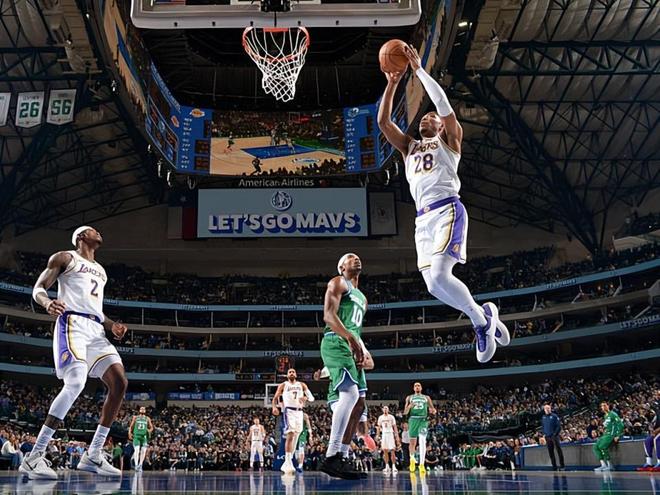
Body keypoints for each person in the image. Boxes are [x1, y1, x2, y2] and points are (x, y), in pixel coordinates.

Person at [377, 44, 509, 363]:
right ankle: (483, 314)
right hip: (422, 221)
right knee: (434, 286)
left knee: (439, 275)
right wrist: (392, 83)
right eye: (424, 117)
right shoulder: (409, 147)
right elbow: (383, 123)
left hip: (447, 209)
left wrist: (419, 71)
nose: (427, 117)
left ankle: (480, 321)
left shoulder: (450, 140)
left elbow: (443, 105)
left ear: (440, 126)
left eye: (432, 117)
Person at [20, 226, 127, 479]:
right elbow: (38, 288)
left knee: (120, 382)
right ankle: (34, 456)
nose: (98, 232)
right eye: (93, 230)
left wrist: (112, 325)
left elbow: (95, 309)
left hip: (95, 329)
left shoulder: (101, 270)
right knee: (76, 382)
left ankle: (93, 454)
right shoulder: (65, 257)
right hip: (72, 324)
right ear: (81, 237)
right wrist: (48, 302)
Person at [319, 253, 367, 480]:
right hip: (336, 340)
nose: (355, 259)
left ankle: (342, 455)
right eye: (350, 257)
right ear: (341, 267)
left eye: (357, 257)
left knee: (358, 403)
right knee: (350, 394)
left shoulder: (363, 298)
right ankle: (332, 456)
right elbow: (329, 316)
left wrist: (361, 348)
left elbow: (356, 329)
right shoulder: (338, 282)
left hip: (351, 344)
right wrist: (349, 339)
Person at [271, 368, 314, 475]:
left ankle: (287, 462)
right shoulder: (283, 385)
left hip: (299, 412)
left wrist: (305, 398)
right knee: (290, 434)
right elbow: (275, 397)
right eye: (289, 372)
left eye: (293, 372)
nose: (291, 373)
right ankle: (288, 462)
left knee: (296, 436)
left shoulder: (302, 385)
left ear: (296, 374)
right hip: (289, 411)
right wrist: (274, 407)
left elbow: (312, 398)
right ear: (287, 375)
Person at [404, 382, 437, 474]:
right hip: (413, 420)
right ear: (413, 388)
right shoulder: (409, 397)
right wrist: (409, 406)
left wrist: (433, 411)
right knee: (412, 443)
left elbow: (433, 409)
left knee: (422, 440)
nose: (417, 387)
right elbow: (405, 412)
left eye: (418, 385)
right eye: (415, 386)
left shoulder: (426, 398)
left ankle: (421, 464)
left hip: (423, 420)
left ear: (421, 388)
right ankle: (412, 459)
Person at [593, 401, 624, 472]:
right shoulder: (605, 416)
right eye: (602, 406)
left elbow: (620, 424)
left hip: (611, 434)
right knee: (595, 447)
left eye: (604, 405)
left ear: (608, 406)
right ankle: (603, 465)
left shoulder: (613, 414)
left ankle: (610, 465)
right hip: (605, 434)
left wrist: (618, 435)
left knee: (602, 446)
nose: (603, 407)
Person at [638, 390, 660, 471]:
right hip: (658, 430)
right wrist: (652, 430)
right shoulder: (655, 408)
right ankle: (648, 463)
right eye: (656, 394)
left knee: (657, 439)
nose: (657, 396)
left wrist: (657, 430)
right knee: (648, 440)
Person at [128, 406, 153, 472]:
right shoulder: (135, 417)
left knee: (143, 451)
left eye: (143, 409)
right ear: (139, 410)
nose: (142, 409)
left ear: (145, 411)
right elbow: (131, 426)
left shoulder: (147, 418)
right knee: (137, 450)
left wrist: (149, 431)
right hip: (136, 436)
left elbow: (151, 428)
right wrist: (129, 433)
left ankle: (140, 465)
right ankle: (136, 465)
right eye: (141, 408)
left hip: (144, 436)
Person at [377, 406, 400, 474]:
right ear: (382, 410)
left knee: (392, 450)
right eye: (384, 409)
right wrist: (378, 436)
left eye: (386, 408)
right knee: (385, 450)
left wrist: (397, 436)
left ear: (388, 410)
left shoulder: (391, 417)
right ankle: (387, 466)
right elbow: (378, 427)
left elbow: (395, 426)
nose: (385, 410)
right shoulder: (380, 417)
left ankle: (394, 466)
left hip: (390, 433)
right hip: (384, 434)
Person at [541, 403, 565, 471]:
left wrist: (555, 434)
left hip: (554, 436)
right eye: (546, 408)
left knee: (559, 451)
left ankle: (562, 466)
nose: (547, 409)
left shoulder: (554, 416)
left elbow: (558, 426)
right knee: (551, 452)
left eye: (548, 408)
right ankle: (554, 466)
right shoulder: (543, 417)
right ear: (544, 410)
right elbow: (543, 426)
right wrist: (544, 434)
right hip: (547, 437)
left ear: (550, 409)